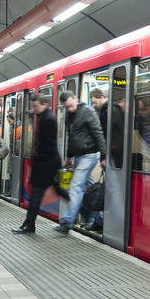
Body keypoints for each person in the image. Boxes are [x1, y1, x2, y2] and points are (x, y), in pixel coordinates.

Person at [11, 93, 68, 234]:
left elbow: (47, 145)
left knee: (36, 195)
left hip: (46, 165)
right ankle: (82, 208)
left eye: (36, 106)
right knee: (58, 191)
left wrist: (37, 162)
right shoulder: (44, 117)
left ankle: (29, 225)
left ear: (44, 105)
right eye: (33, 106)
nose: (34, 109)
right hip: (48, 163)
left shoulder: (48, 119)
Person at [56, 90, 106, 234]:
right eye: (66, 107)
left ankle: (67, 222)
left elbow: (98, 133)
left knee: (75, 186)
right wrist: (69, 158)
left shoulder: (87, 111)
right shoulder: (69, 115)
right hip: (78, 157)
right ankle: (100, 220)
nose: (69, 109)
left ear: (76, 99)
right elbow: (70, 138)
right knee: (89, 188)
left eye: (71, 106)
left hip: (89, 155)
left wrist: (103, 156)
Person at [86, 87, 109, 231]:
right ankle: (99, 220)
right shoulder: (107, 108)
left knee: (104, 191)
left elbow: (104, 136)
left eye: (94, 102)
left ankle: (100, 222)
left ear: (101, 97)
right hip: (109, 157)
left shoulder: (106, 110)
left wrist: (104, 157)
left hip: (107, 158)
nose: (93, 106)